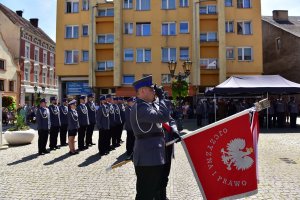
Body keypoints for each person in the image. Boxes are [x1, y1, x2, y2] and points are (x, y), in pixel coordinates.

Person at [130, 75, 170, 200]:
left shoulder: (147, 105)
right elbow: (163, 117)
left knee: (154, 192)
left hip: (153, 156)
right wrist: (162, 98)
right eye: (151, 89)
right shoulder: (141, 107)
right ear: (142, 91)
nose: (154, 92)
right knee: (145, 194)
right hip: (148, 158)